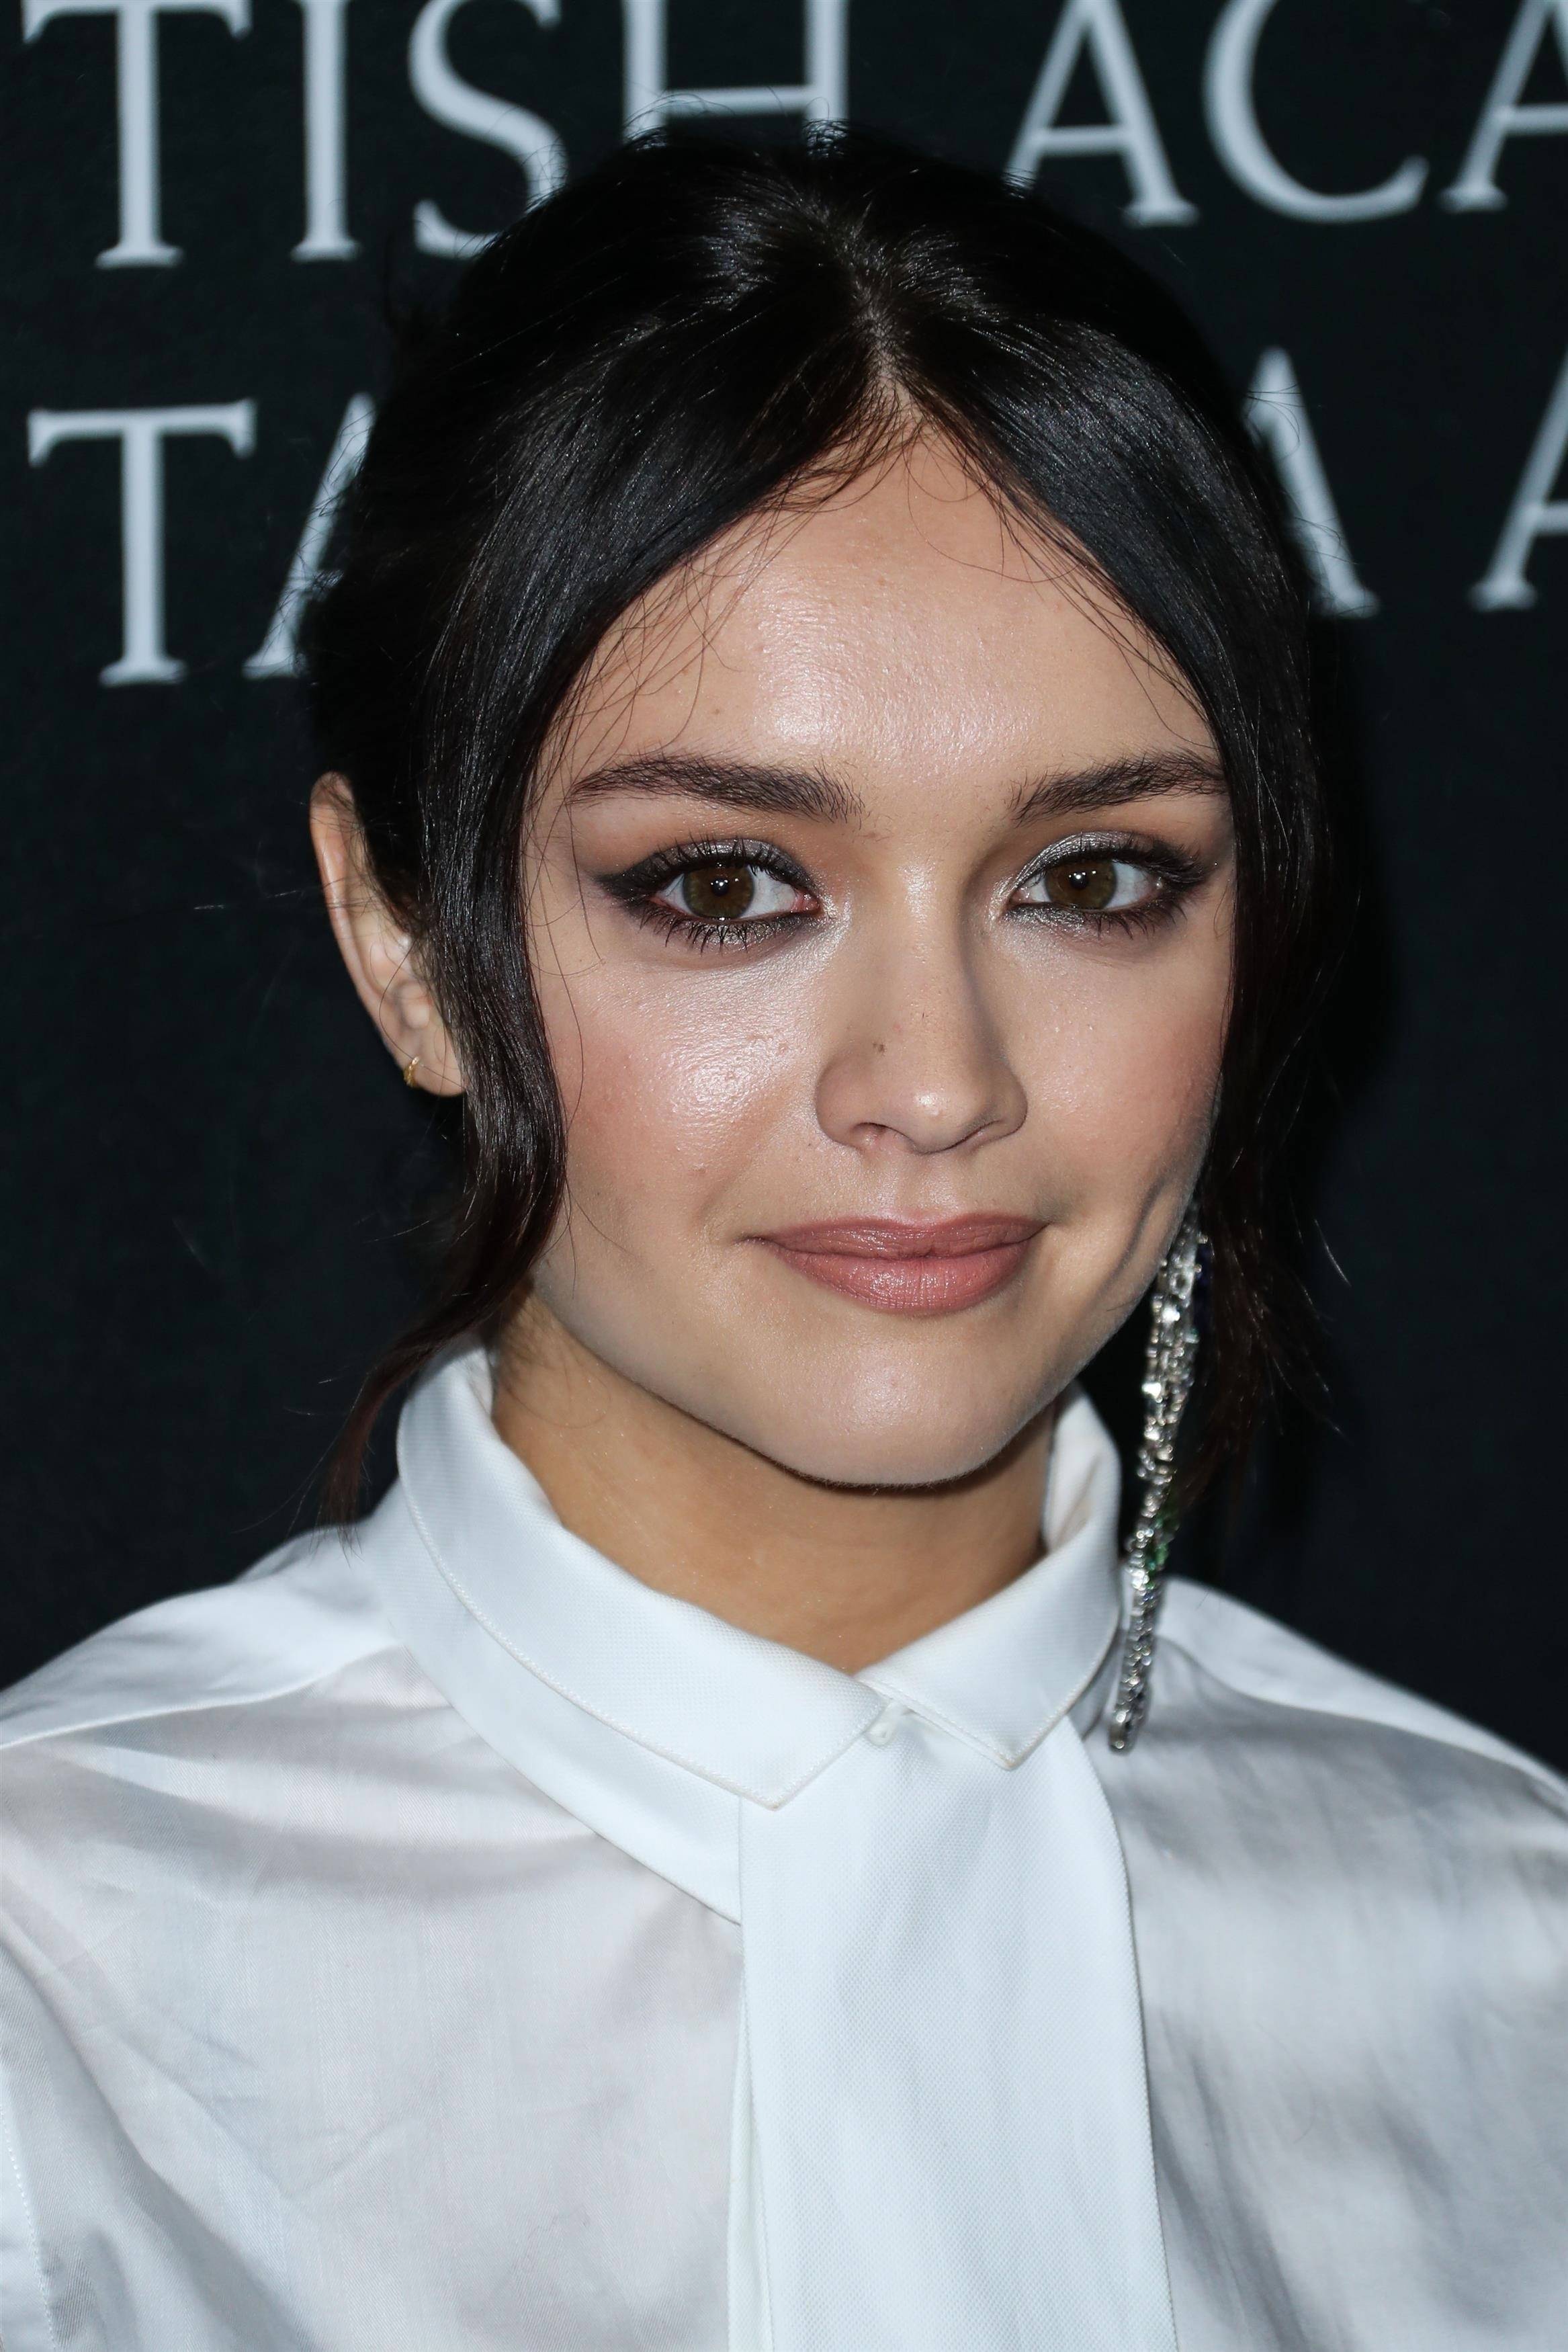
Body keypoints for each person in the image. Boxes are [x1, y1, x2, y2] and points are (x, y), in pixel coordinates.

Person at [2, 134, 1563, 2352]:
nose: (932, 1082)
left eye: (1095, 879)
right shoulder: (54, 1968)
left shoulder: (1510, 1956)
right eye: (724, 885)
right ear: (402, 936)